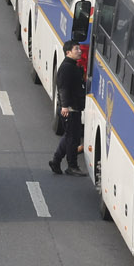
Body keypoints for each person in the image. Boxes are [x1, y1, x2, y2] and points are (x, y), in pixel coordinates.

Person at [50, 40, 87, 175]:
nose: (79, 51)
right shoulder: (66, 68)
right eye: (76, 49)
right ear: (68, 52)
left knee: (70, 136)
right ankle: (72, 166)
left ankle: (56, 161)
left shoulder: (72, 66)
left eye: (79, 49)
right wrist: (65, 106)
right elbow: (63, 88)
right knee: (72, 139)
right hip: (70, 109)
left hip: (74, 107)